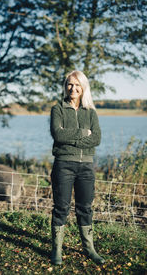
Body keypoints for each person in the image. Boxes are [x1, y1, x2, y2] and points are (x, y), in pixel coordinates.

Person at [50, 70, 105, 265]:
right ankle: (56, 250)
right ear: (65, 87)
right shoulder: (58, 109)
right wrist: (83, 133)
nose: (73, 88)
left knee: (85, 208)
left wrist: (71, 139)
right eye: (69, 84)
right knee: (61, 207)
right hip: (63, 165)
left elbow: (96, 138)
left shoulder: (91, 112)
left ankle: (89, 248)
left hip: (86, 167)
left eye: (77, 85)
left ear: (83, 88)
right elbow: (58, 135)